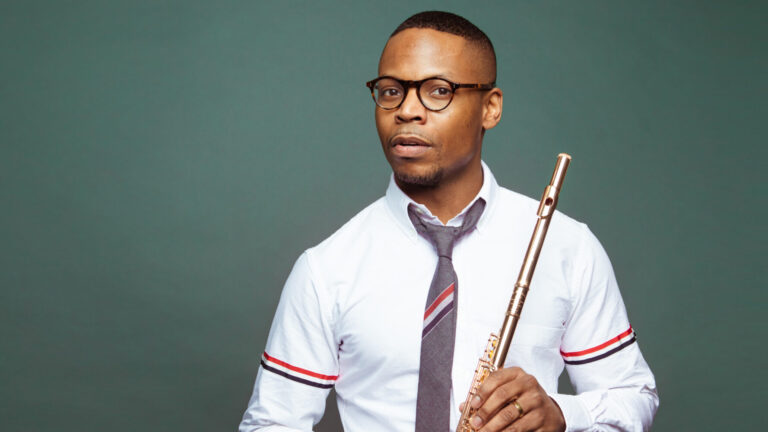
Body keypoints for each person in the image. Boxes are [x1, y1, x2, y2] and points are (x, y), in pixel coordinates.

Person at [240, 11, 658, 432]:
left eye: (438, 91)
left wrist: (562, 414)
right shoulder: (325, 269)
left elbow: (633, 399)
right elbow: (271, 423)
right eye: (390, 91)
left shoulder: (567, 245)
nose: (406, 111)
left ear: (490, 108)